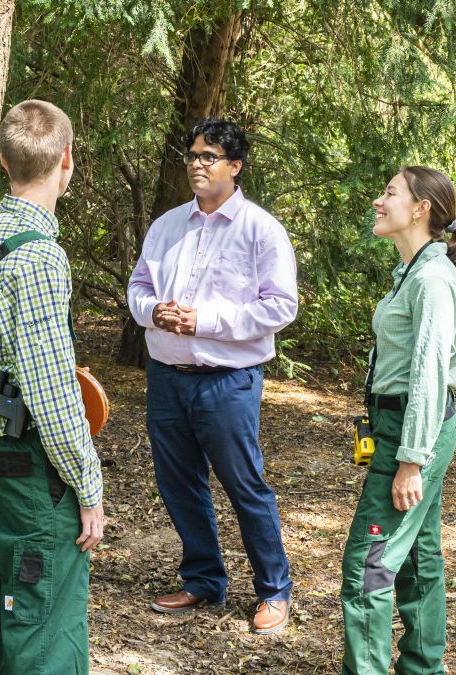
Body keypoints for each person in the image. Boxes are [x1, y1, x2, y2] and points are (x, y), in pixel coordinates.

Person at [0, 99, 104, 674]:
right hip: (34, 462)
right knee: (44, 612)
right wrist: (87, 483)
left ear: (4, 162)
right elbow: (53, 390)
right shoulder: (40, 257)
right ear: (66, 159)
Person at [127, 117, 298, 635]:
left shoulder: (260, 230)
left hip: (228, 381)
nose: (197, 164)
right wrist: (154, 311)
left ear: (236, 166)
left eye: (209, 157)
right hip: (167, 376)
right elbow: (138, 287)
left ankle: (273, 591)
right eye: (192, 155)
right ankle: (203, 579)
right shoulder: (167, 226)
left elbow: (281, 307)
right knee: (178, 483)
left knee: (244, 484)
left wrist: (208, 320)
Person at [340, 166, 456, 674]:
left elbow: (428, 378)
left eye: (389, 192)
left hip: (414, 432)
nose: (378, 200)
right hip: (404, 427)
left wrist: (411, 461)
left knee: (367, 566)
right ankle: (423, 668)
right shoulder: (415, 273)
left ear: (421, 209)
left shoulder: (433, 281)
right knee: (417, 557)